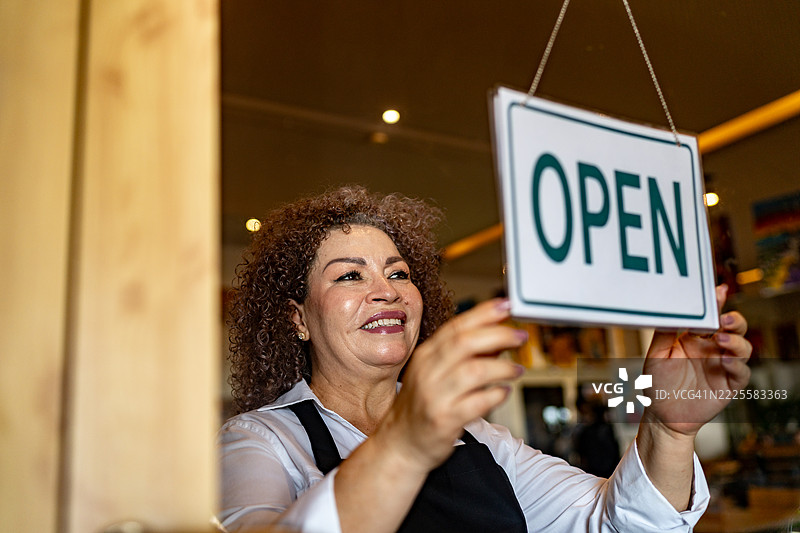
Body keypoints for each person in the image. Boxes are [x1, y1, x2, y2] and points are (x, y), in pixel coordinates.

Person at [218, 185, 752, 533]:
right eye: (349, 275)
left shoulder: (482, 439)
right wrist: (403, 443)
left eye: (399, 273)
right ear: (297, 319)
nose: (388, 291)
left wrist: (668, 428)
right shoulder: (259, 442)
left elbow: (614, 524)